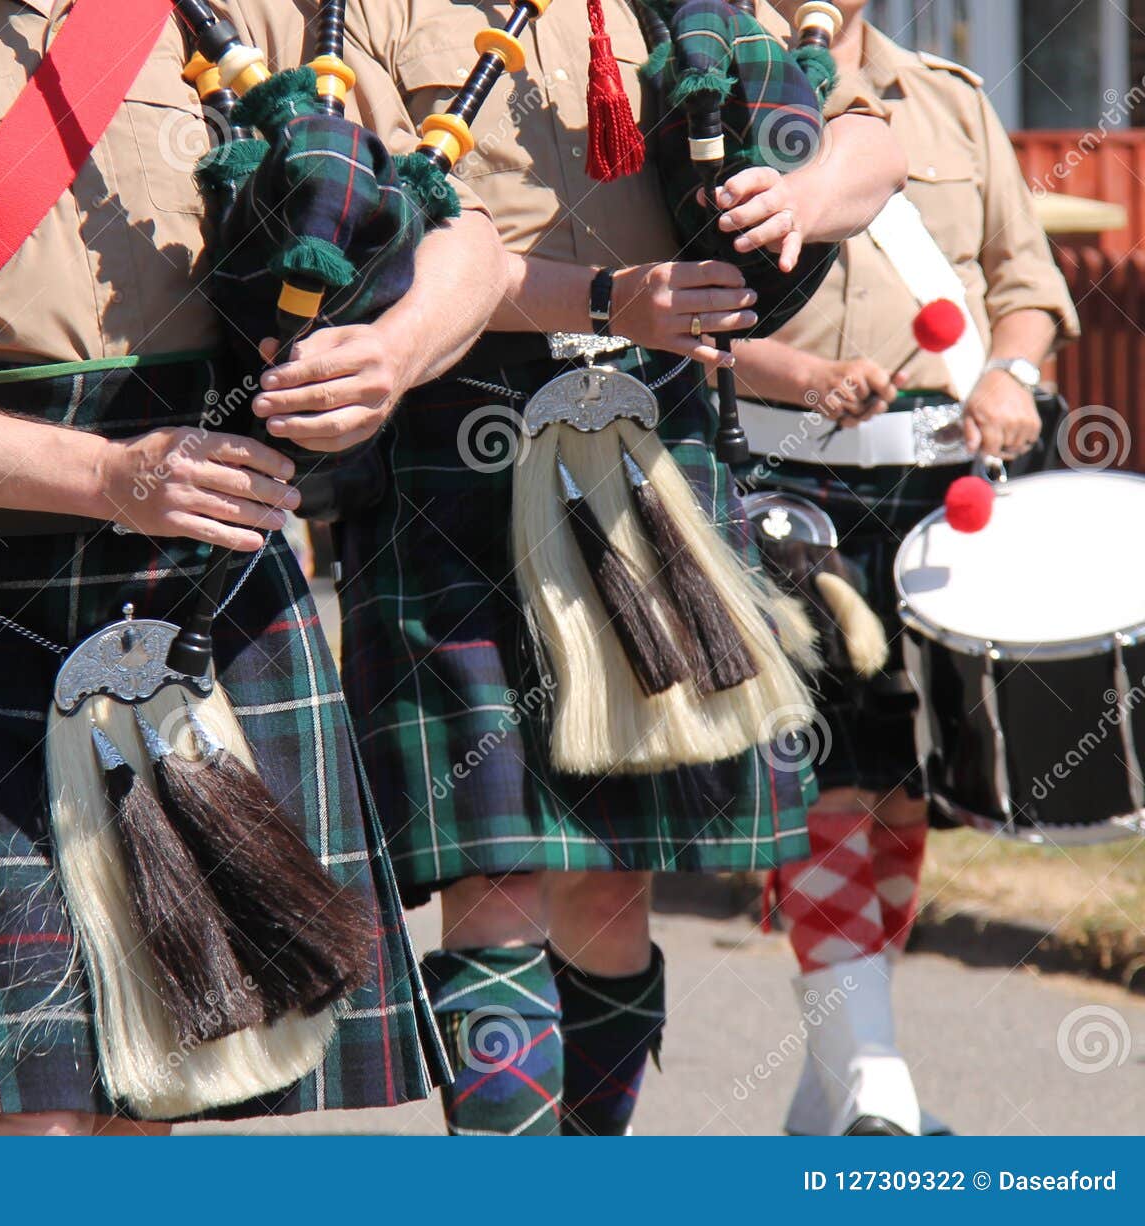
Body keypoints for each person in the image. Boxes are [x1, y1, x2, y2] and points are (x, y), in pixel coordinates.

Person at [0, 0, 507, 1136]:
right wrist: (106, 476)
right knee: (25, 1117)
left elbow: (463, 237)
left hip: (207, 578)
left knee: (154, 1092)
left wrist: (391, 352)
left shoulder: (244, 16)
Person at [336, 0, 905, 1136]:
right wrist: (602, 299)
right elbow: (390, 235)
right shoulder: (371, 12)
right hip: (459, 450)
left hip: (659, 443)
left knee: (612, 877)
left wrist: (798, 193)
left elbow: (873, 145)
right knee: (492, 881)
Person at [731, 0, 1079, 1137]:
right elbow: (661, 307)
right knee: (829, 783)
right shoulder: (707, 94)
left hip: (942, 498)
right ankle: (877, 1093)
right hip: (787, 491)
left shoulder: (952, 100)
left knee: (902, 791)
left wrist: (1011, 380)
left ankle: (830, 1088)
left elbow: (1025, 291)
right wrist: (786, 372)